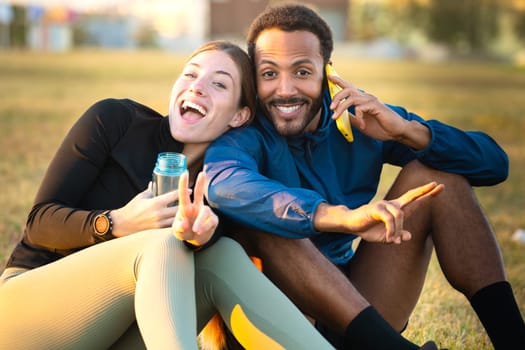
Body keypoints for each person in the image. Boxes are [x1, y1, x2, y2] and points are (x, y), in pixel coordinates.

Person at [204, 4, 525, 350]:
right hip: (275, 323)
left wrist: (407, 131)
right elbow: (222, 184)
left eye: (301, 71)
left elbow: (495, 164)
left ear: (327, 72)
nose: (285, 90)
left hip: (359, 309)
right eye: (269, 74)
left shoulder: (358, 118)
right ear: (254, 77)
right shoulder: (244, 129)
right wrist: (339, 217)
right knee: (266, 223)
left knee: (437, 175)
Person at [0, 40, 335, 350]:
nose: (197, 86)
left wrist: (202, 238)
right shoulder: (117, 120)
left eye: (218, 84)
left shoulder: (221, 186)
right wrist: (115, 224)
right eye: (190, 74)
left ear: (239, 115)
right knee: (160, 244)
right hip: (24, 314)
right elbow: (39, 223)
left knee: (224, 255)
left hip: (117, 336)